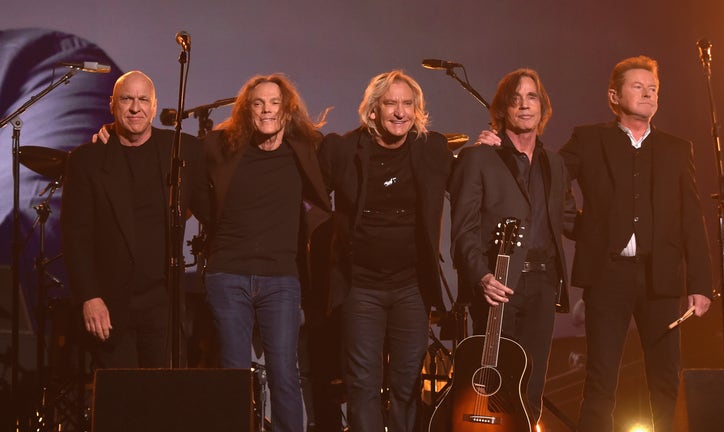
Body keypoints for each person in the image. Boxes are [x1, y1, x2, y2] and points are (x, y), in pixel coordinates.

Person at [559, 56, 712, 432]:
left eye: (653, 88)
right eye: (638, 86)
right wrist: (581, 227)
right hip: (607, 275)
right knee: (600, 380)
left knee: (666, 379)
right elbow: (548, 179)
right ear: (614, 95)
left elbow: (692, 217)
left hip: (660, 278)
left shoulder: (678, 149)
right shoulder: (589, 138)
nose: (648, 94)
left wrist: (700, 284)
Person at [193, 74, 332, 432]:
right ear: (247, 110)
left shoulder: (307, 148)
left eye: (274, 103)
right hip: (228, 273)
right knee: (234, 372)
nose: (267, 110)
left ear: (287, 111)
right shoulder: (220, 146)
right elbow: (182, 175)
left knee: (285, 370)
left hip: (281, 277)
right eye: (258, 103)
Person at [318, 70, 452, 432]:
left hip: (411, 287)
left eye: (407, 104)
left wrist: (489, 146)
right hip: (361, 286)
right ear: (373, 110)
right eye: (390, 103)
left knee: (408, 384)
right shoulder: (344, 149)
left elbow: (469, 186)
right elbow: (308, 192)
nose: (399, 112)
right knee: (362, 385)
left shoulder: (433, 149)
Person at [450, 68, 577, 426]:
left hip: (543, 284)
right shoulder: (479, 158)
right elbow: (463, 230)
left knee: (531, 383)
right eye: (515, 99)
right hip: (498, 284)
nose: (524, 105)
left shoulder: (555, 163)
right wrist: (481, 276)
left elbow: (569, 220)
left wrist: (622, 230)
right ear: (502, 109)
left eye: (532, 97)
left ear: (543, 107)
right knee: (495, 385)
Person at [62, 70, 200, 369]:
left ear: (154, 105)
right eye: (127, 99)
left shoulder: (182, 150)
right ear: (112, 104)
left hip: (164, 305)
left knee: (166, 403)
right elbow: (76, 236)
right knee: (119, 406)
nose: (135, 107)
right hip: (110, 305)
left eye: (143, 100)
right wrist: (90, 297)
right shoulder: (87, 159)